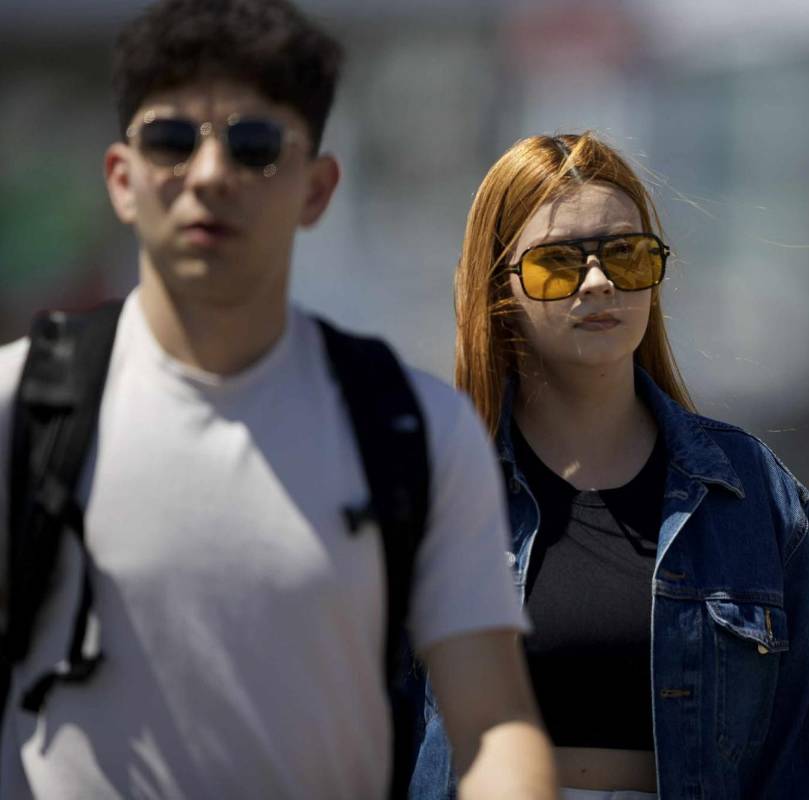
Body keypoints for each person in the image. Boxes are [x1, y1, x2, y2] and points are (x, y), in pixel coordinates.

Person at [0, 1, 556, 797]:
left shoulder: (417, 430)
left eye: (255, 144)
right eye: (169, 140)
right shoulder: (21, 406)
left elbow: (495, 725)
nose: (209, 174)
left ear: (317, 188)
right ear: (122, 179)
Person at [411, 133, 809, 799]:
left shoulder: (753, 496)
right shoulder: (433, 494)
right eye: (558, 263)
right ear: (499, 289)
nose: (599, 282)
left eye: (626, 254)